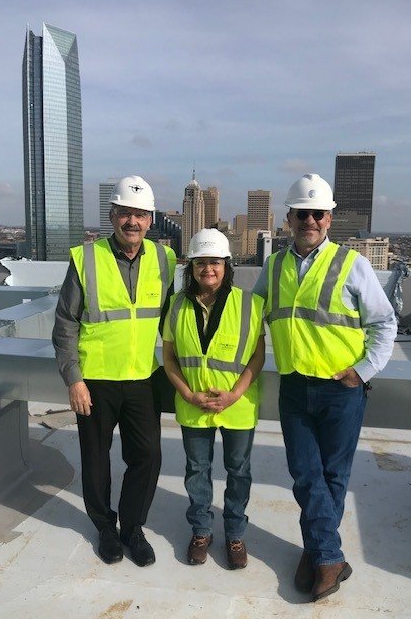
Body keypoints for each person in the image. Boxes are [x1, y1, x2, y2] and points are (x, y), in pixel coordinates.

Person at [253, 173, 397, 601]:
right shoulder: (275, 265)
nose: (309, 220)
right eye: (302, 214)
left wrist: (363, 370)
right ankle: (327, 555)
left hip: (341, 389)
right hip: (295, 386)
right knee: (305, 474)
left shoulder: (353, 265)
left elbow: (384, 323)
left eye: (318, 213)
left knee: (332, 475)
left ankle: (320, 553)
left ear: (329, 218)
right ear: (289, 218)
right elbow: (251, 314)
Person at [52, 175, 176, 567]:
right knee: (96, 458)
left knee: (149, 456)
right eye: (125, 213)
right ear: (112, 215)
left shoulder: (164, 259)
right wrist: (74, 378)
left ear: (150, 218)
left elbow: (174, 321)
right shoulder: (86, 258)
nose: (132, 221)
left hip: (142, 378)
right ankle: (105, 527)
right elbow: (65, 323)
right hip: (96, 381)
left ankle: (132, 528)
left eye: (140, 214)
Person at [162, 229, 265, 569]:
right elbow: (170, 357)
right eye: (201, 262)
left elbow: (257, 357)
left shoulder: (250, 304)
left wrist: (234, 394)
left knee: (238, 471)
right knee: (197, 470)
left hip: (237, 407)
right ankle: (202, 531)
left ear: (226, 265)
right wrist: (188, 393)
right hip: (193, 405)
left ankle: (235, 534)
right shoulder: (177, 305)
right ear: (191, 266)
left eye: (215, 262)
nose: (208, 269)